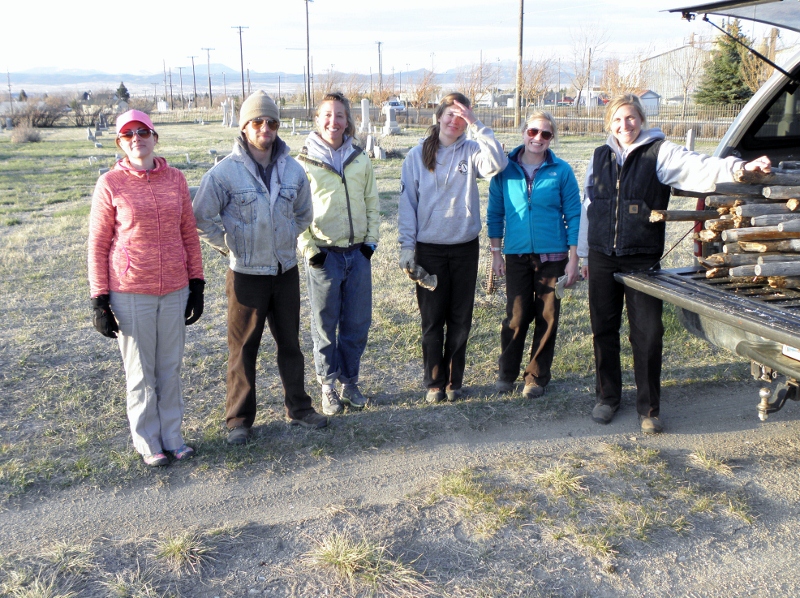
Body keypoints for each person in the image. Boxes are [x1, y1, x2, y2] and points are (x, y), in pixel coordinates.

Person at [578, 93, 771, 434]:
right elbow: (589, 205)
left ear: (641, 119)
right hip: (601, 255)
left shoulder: (660, 152)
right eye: (618, 119)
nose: (625, 125)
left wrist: (740, 168)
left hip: (641, 257)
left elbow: (699, 167)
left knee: (648, 333)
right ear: (609, 123)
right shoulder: (599, 156)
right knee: (603, 329)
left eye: (631, 117)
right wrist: (583, 253)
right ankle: (607, 398)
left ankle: (649, 408)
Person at [193, 91, 328, 445]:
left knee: (290, 344)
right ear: (244, 126)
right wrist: (230, 246)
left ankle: (299, 408)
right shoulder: (224, 173)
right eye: (257, 121)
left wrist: (283, 240)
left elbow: (304, 213)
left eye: (271, 122)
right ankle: (239, 420)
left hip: (285, 272)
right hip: (246, 275)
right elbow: (201, 217)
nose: (264, 128)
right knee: (243, 349)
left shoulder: (293, 170)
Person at [88, 109, 205, 467]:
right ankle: (148, 441)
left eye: (142, 132)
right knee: (141, 373)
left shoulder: (176, 179)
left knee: (170, 368)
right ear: (120, 143)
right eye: (128, 135)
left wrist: (197, 283)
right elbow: (98, 243)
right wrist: (99, 299)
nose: (136, 139)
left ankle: (173, 436)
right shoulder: (110, 183)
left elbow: (188, 233)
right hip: (130, 291)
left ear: (155, 137)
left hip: (174, 289)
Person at [398, 92, 508, 403]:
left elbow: (497, 164)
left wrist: (477, 125)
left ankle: (453, 381)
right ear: (439, 116)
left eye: (462, 117)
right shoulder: (416, 156)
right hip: (429, 250)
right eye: (451, 114)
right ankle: (434, 382)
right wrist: (407, 248)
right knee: (432, 319)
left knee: (460, 318)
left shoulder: (472, 150)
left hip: (464, 247)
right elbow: (407, 205)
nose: (455, 121)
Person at [296, 92, 380, 416]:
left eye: (340, 115)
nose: (334, 121)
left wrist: (370, 243)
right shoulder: (303, 162)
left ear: (348, 121)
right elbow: (295, 212)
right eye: (327, 115)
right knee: (324, 324)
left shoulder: (360, 158)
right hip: (324, 256)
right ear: (317, 120)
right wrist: (310, 250)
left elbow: (371, 201)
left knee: (356, 323)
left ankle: (350, 382)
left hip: (357, 255)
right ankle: (327, 385)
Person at [487, 112, 581, 399]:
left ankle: (536, 377)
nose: (538, 138)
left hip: (554, 256)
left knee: (547, 316)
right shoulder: (505, 169)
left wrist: (574, 258)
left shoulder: (561, 171)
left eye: (545, 134)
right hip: (516, 254)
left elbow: (574, 215)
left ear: (551, 138)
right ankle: (507, 373)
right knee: (516, 316)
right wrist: (496, 253)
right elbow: (495, 214)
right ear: (523, 132)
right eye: (532, 132)